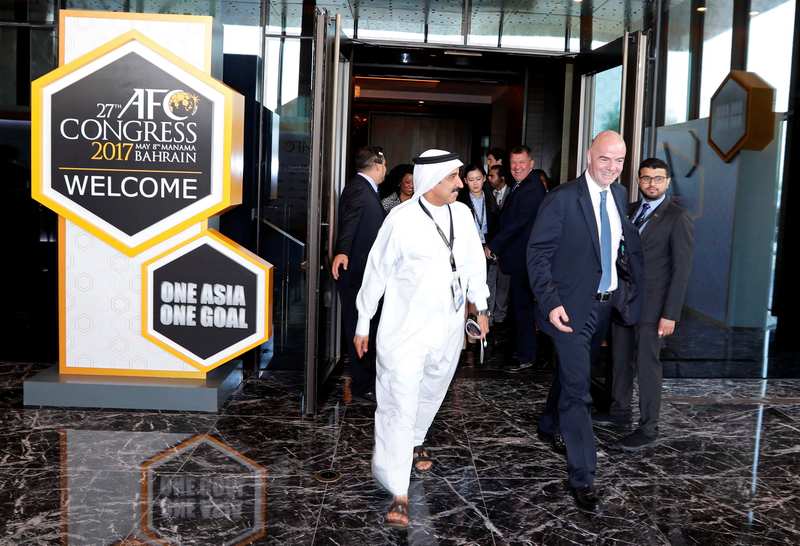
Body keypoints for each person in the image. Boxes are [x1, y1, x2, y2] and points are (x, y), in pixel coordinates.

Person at [354, 149, 490, 528]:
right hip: (404, 332)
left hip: (446, 328)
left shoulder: (462, 215)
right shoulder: (400, 220)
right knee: (398, 400)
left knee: (433, 389)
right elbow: (376, 272)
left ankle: (415, 439)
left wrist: (481, 307)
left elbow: (473, 264)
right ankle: (397, 486)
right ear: (433, 180)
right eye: (454, 179)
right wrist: (363, 322)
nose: (460, 185)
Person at [528, 130, 644, 511]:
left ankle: (548, 424)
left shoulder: (620, 195)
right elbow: (539, 254)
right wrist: (550, 303)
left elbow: (618, 250)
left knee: (570, 374)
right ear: (588, 156)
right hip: (569, 309)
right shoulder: (561, 199)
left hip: (604, 306)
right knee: (579, 392)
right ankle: (583, 476)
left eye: (619, 161)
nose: (612, 168)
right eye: (605, 159)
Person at [595, 157, 694, 450]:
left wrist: (670, 314)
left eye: (658, 178)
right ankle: (619, 411)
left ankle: (649, 427)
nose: (651, 183)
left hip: (654, 308)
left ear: (667, 182)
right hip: (624, 302)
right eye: (646, 178)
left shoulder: (677, 217)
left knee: (647, 365)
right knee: (620, 359)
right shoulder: (628, 211)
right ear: (638, 180)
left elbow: (682, 270)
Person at [331, 146, 387, 402]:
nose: (385, 170)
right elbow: (349, 223)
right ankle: (362, 385)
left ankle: (367, 380)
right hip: (356, 272)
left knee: (367, 326)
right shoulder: (358, 189)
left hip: (365, 271)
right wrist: (342, 251)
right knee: (358, 326)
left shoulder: (366, 189)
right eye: (384, 166)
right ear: (377, 165)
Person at [487, 145, 547, 371]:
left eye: (522, 163)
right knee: (517, 307)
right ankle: (521, 351)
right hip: (518, 258)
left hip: (525, 259)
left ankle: (525, 356)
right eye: (513, 164)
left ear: (531, 164)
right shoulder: (520, 185)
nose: (517, 167)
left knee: (522, 308)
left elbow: (516, 224)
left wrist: (493, 246)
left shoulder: (532, 189)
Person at [486, 164, 511, 326]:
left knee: (504, 286)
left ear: (502, 178)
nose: (489, 179)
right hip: (491, 247)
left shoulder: (512, 193)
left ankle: (500, 318)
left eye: (492, 176)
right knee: (490, 283)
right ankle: (490, 318)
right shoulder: (488, 194)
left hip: (507, 248)